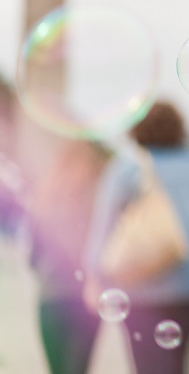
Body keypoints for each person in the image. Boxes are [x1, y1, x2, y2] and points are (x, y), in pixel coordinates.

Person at [83, 102, 189, 374]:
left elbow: (104, 226)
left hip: (141, 286)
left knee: (148, 367)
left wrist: (94, 275)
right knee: (178, 365)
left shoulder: (127, 168)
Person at [26, 139, 108, 374]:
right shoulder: (98, 197)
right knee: (78, 369)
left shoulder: (45, 198)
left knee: (58, 370)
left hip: (50, 297)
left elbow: (33, 255)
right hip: (87, 299)